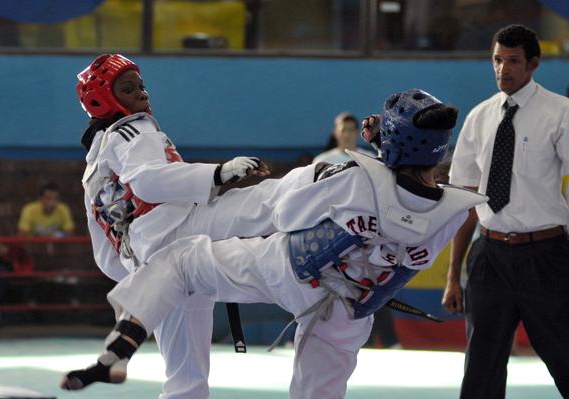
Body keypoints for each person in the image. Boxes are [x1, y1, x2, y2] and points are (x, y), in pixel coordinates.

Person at [62, 88, 487, 398]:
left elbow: (287, 214)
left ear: (391, 139)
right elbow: (405, 204)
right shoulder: (452, 210)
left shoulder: (354, 177)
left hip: (288, 268)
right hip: (350, 310)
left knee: (183, 258)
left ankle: (122, 344)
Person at [72, 54, 318, 399]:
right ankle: (335, 191)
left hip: (153, 256)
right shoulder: (132, 128)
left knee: (185, 375)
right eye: (128, 89)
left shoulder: (93, 165)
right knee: (267, 198)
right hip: (175, 225)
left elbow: (103, 244)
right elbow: (148, 181)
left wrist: (138, 270)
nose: (142, 94)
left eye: (141, 85)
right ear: (106, 101)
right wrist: (219, 173)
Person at [441, 24, 569, 398]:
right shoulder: (479, 118)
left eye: (512, 61)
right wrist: (453, 274)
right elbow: (466, 200)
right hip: (489, 256)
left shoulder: (560, 113)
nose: (503, 69)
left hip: (547, 257)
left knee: (564, 357)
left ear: (532, 64)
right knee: (480, 371)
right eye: (497, 60)